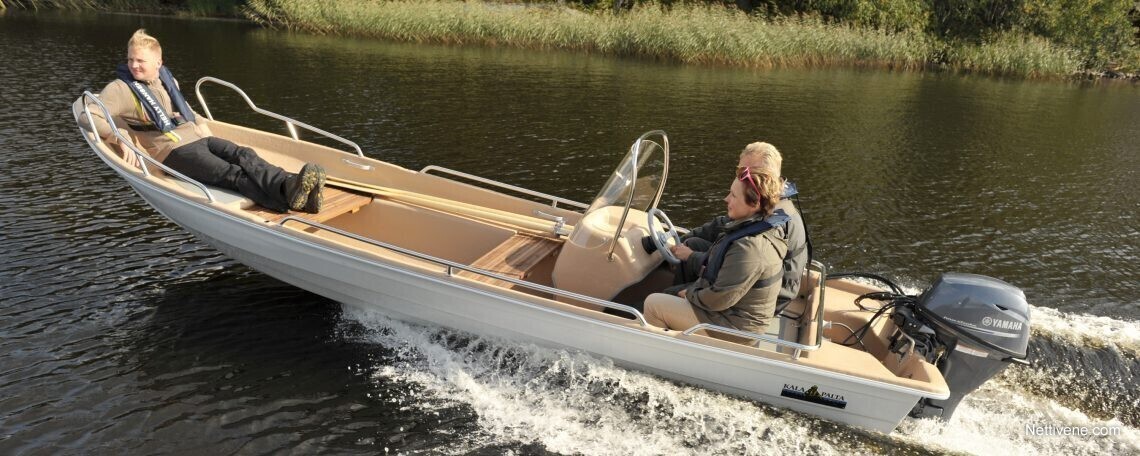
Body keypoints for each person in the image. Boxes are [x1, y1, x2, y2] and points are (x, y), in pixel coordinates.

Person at [75, 29, 325, 214]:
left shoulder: (166, 81)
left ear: (158, 63)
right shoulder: (121, 89)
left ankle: (291, 184)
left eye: (140, 60)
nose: (133, 65)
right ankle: (286, 196)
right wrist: (118, 134)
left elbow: (183, 108)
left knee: (244, 154)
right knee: (233, 173)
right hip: (174, 151)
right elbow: (88, 114)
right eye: (130, 59)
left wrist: (199, 121)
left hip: (197, 137)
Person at [643, 165, 789, 338]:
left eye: (733, 195)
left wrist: (690, 293)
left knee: (653, 304)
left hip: (735, 326)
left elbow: (720, 298)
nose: (726, 199)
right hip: (732, 313)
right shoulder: (756, 226)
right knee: (671, 292)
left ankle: (661, 352)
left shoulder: (750, 248)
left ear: (755, 203)